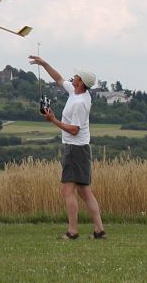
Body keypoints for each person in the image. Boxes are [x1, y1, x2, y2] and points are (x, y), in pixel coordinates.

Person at [28, 56, 106, 240]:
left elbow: (74, 130)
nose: (73, 77)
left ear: (81, 82)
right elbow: (58, 79)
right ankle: (99, 230)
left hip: (75, 150)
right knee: (84, 191)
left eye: (76, 76)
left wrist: (53, 120)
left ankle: (72, 231)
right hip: (79, 149)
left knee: (68, 191)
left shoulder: (80, 103)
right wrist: (43, 63)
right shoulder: (76, 92)